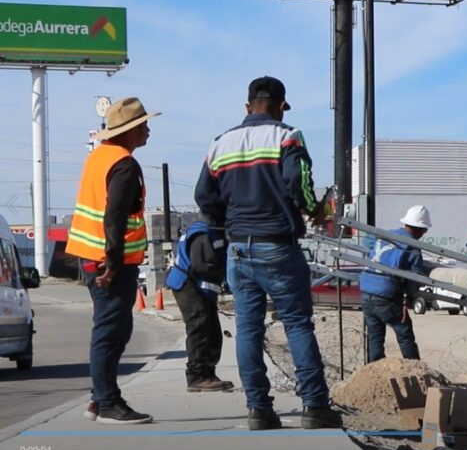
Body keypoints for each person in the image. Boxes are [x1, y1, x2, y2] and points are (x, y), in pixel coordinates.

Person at [195, 76, 341, 431]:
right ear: (280, 106)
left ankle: (258, 410)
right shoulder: (287, 135)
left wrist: (227, 226)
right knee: (296, 324)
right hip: (277, 244)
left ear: (247, 107)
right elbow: (298, 182)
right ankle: (315, 407)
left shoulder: (220, 143)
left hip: (238, 250)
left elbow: (204, 197)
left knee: (248, 330)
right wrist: (312, 210)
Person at [66, 97, 160, 425]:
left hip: (92, 256)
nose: (148, 128)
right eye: (144, 124)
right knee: (110, 330)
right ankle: (107, 402)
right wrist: (114, 260)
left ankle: (99, 396)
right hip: (109, 262)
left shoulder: (98, 158)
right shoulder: (123, 163)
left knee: (117, 328)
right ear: (129, 130)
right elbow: (115, 214)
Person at [165, 220, 233, 392]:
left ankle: (208, 373)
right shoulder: (203, 231)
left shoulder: (215, 229)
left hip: (199, 288)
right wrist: (229, 274)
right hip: (188, 285)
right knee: (199, 328)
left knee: (212, 332)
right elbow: (203, 265)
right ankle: (197, 376)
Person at [358, 205, 432, 362]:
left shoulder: (386, 235)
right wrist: (412, 295)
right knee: (404, 333)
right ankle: (415, 369)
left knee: (375, 336)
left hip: (366, 289)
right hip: (386, 294)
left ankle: (374, 372)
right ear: (421, 229)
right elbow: (415, 279)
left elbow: (367, 243)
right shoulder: (413, 247)